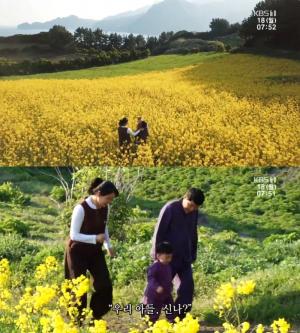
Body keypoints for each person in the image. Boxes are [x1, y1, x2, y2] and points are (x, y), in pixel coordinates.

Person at [64, 177, 119, 322]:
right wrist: (95, 238)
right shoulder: (81, 208)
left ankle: (96, 315)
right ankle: (76, 321)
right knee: (78, 288)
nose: (109, 202)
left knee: (104, 284)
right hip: (76, 252)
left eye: (111, 200)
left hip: (94, 252)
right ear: (99, 193)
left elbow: (104, 227)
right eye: (108, 198)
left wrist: (108, 246)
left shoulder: (105, 207)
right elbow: (73, 235)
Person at [150, 188, 205, 320]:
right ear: (186, 198)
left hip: (185, 258)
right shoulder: (170, 208)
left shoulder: (194, 212)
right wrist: (157, 255)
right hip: (167, 258)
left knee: (187, 287)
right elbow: (159, 232)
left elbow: (193, 233)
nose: (192, 209)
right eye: (191, 205)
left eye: (195, 208)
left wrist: (193, 253)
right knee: (159, 288)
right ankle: (149, 317)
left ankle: (178, 318)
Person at [143, 241, 175, 323]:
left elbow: (168, 278)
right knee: (154, 310)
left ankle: (171, 320)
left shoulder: (168, 266)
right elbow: (150, 278)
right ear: (158, 255)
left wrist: (170, 286)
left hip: (166, 293)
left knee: (170, 306)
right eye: (167, 257)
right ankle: (150, 322)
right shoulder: (154, 267)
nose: (169, 259)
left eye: (170, 257)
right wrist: (157, 287)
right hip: (154, 294)